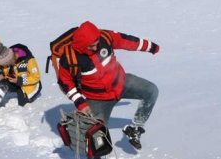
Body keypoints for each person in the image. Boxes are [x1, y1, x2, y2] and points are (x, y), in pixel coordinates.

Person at [56, 21, 160, 150]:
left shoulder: (104, 37)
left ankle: (135, 129)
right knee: (93, 139)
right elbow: (64, 82)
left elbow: (125, 41)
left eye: (96, 45)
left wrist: (150, 47)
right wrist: (80, 102)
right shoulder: (70, 58)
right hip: (97, 99)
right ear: (82, 45)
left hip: (121, 83)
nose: (95, 48)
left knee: (151, 91)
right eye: (91, 47)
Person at [0, 42, 42, 119]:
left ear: (10, 60)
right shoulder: (6, 53)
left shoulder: (29, 60)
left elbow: (36, 77)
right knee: (2, 85)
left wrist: (19, 80)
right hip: (14, 79)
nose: (4, 67)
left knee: (22, 104)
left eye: (5, 65)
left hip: (29, 86)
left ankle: (31, 95)